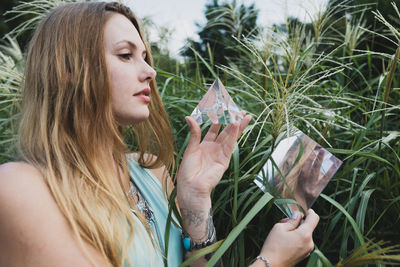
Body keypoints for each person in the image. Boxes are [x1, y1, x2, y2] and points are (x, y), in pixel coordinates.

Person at [0, 2, 319, 266]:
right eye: (126, 55)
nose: (150, 71)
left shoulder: (150, 169)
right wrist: (270, 261)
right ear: (67, 70)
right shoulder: (19, 189)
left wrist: (196, 199)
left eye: (146, 57)